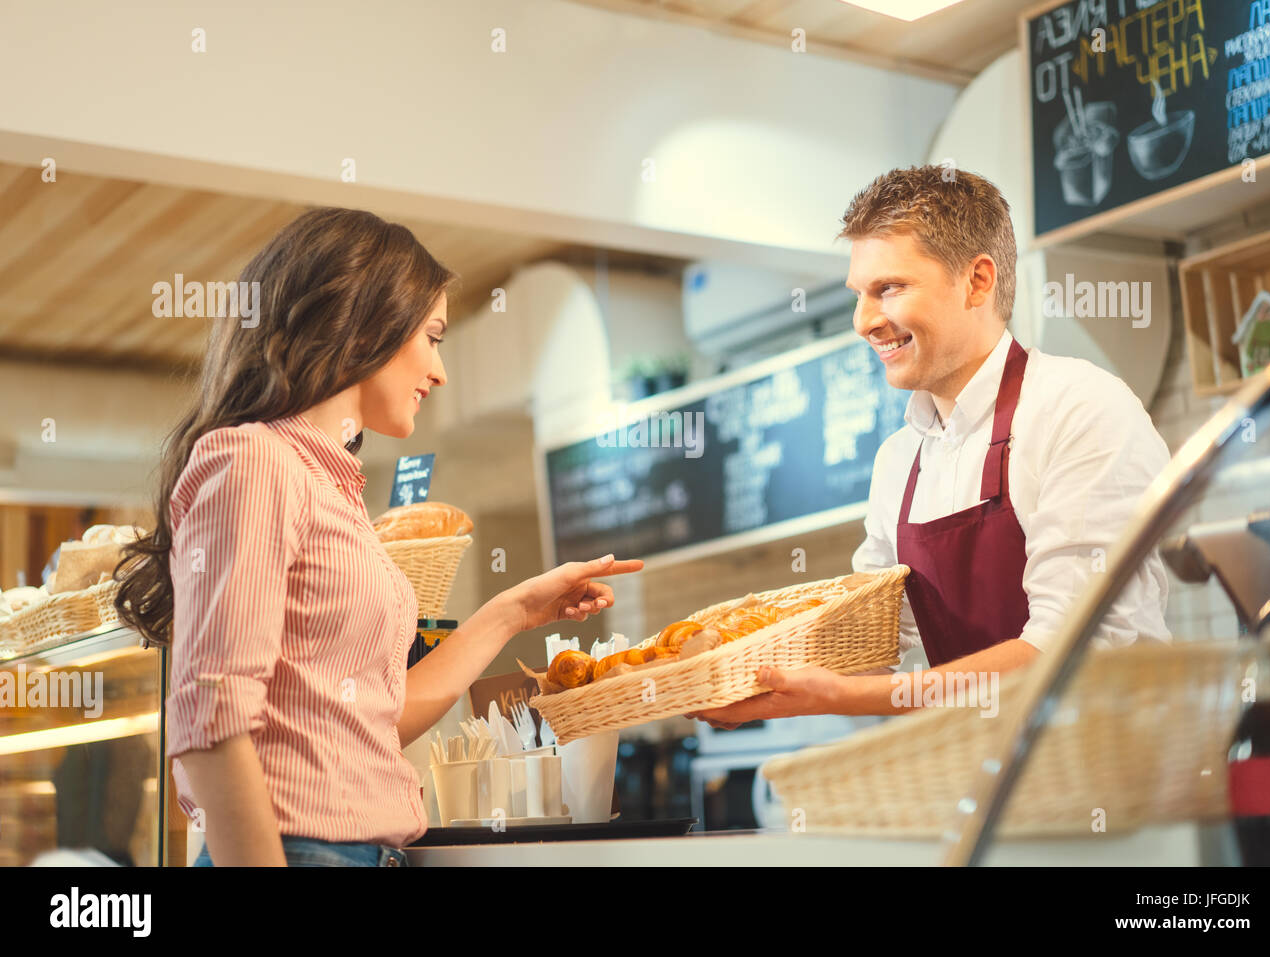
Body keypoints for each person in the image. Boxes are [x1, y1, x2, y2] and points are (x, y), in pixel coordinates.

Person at [115, 208, 641, 866]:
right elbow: (209, 719)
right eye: (433, 335)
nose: (441, 371)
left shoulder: (329, 484)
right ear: (367, 323)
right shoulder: (255, 461)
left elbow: (374, 718)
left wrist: (514, 611)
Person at [693, 166, 1170, 727]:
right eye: (859, 295)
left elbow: (1071, 649)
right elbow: (868, 646)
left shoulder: (1079, 408)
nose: (864, 321)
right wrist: (736, 675)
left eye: (888, 288)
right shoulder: (898, 460)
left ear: (978, 281)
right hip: (977, 789)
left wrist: (843, 698)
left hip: (1105, 783)